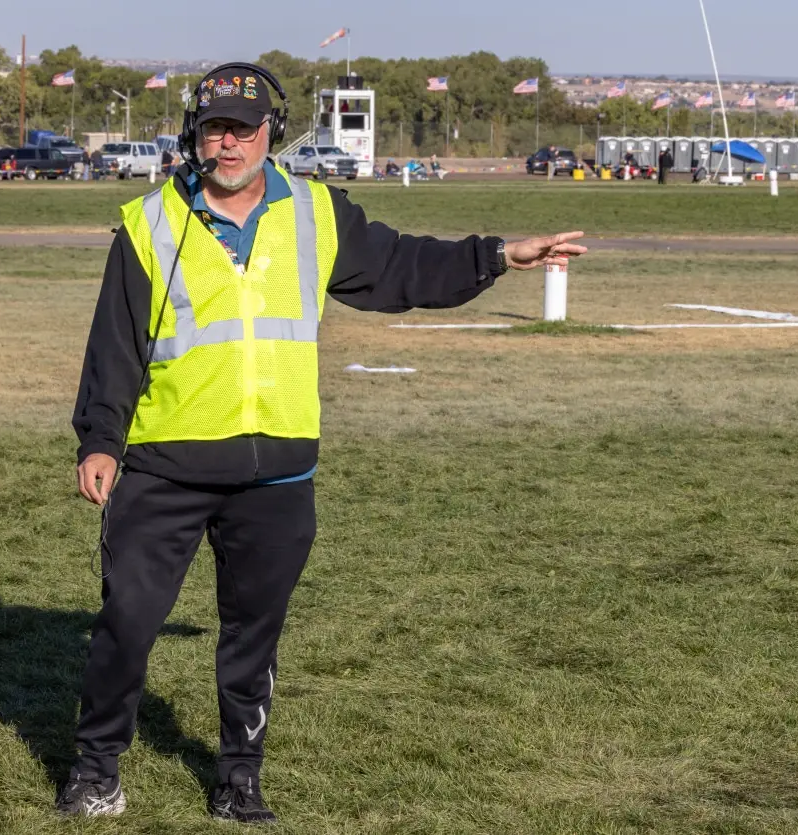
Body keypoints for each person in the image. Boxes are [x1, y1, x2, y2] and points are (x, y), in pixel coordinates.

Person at [59, 61, 587, 824]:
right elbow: (114, 346)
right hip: (163, 468)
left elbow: (405, 267)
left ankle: (239, 781)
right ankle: (95, 770)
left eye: (245, 127)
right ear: (193, 135)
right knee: (126, 626)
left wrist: (498, 256)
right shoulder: (148, 224)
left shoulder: (316, 213)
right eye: (215, 128)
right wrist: (99, 440)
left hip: (276, 476)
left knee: (252, 644)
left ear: (272, 129)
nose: (230, 142)